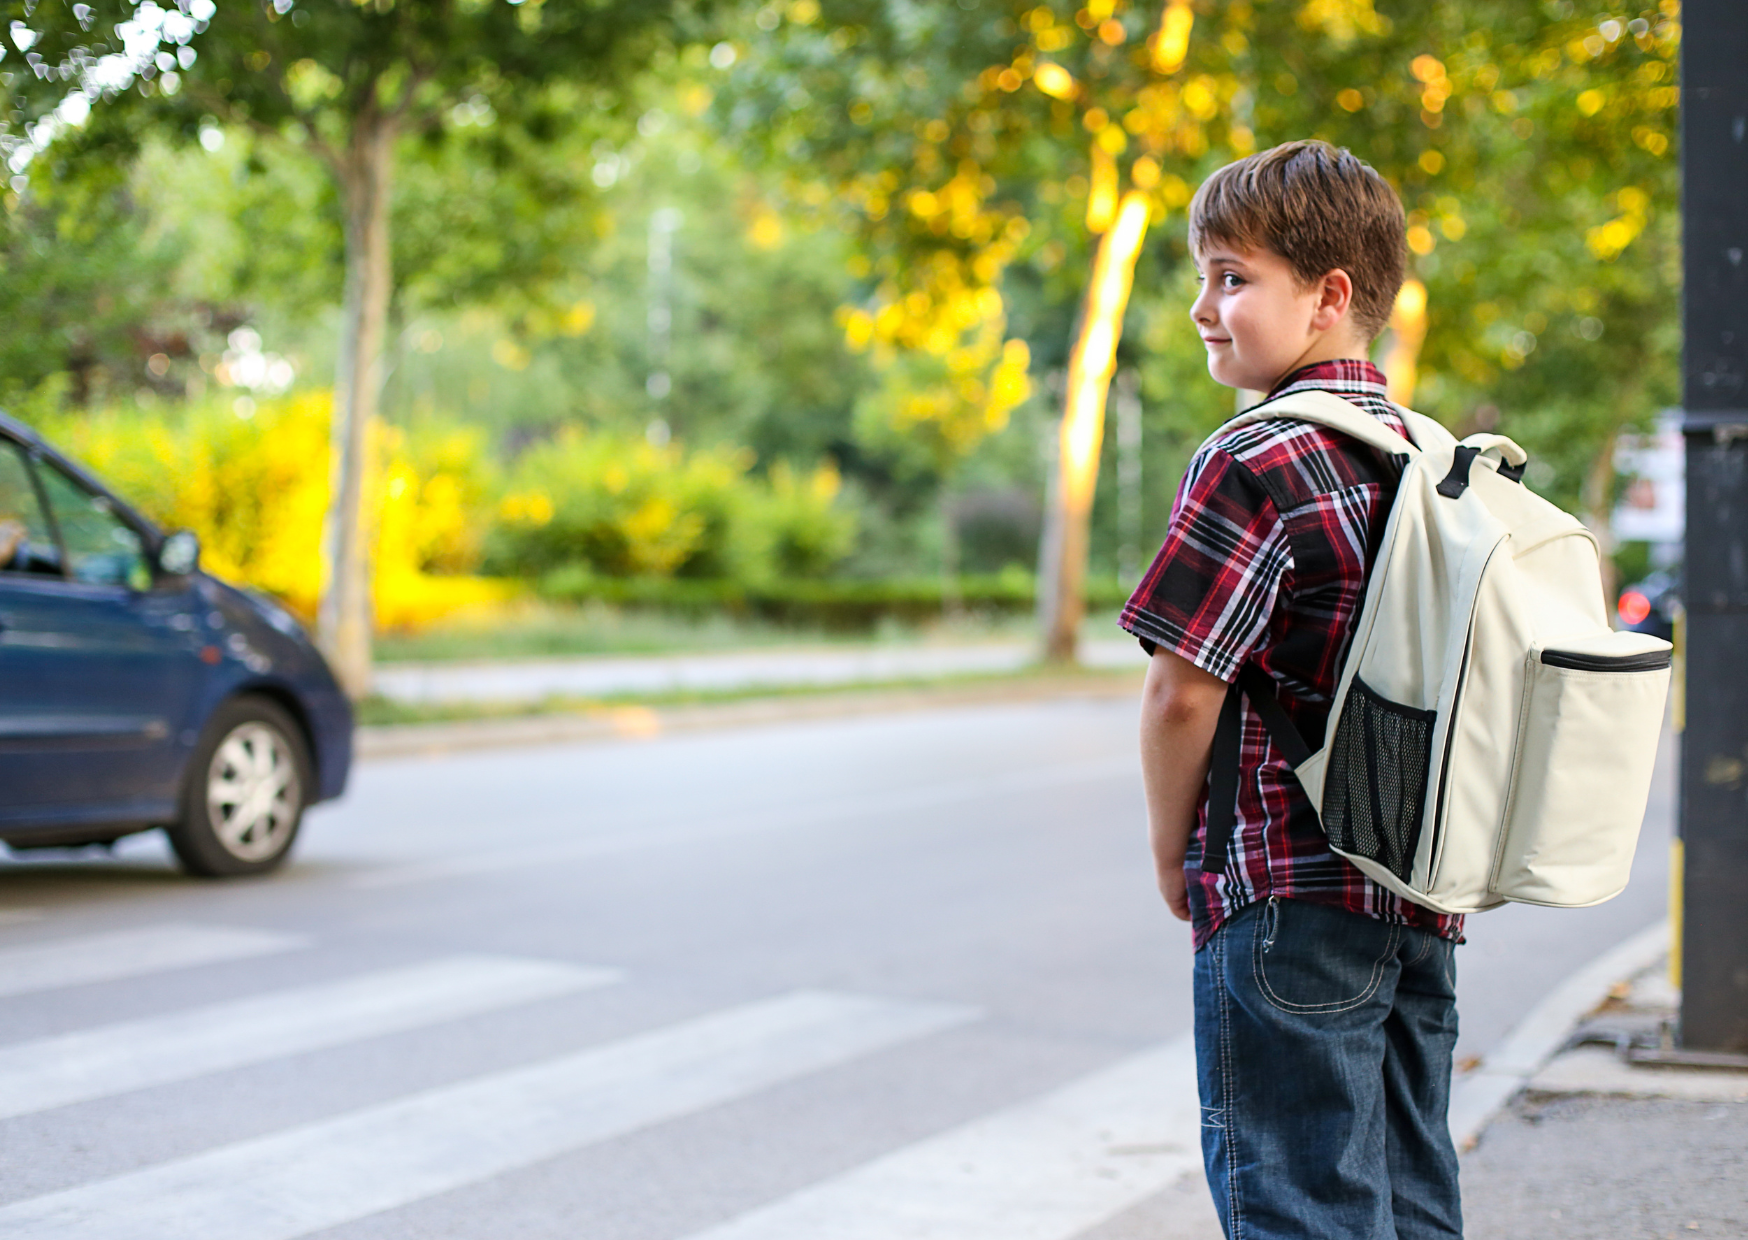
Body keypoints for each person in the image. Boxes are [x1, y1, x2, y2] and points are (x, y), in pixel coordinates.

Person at [1121, 139, 1463, 1239]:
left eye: (1231, 276)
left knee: (1298, 1207)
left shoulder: (1255, 457)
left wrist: (1175, 853)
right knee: (1408, 1199)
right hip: (1419, 893)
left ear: (1327, 296)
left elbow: (1182, 692)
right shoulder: (1433, 458)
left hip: (1280, 890)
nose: (1199, 306)